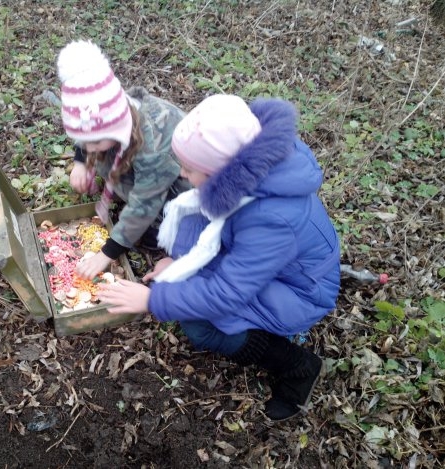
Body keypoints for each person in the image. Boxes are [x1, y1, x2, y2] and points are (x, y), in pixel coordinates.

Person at [98, 94, 341, 422]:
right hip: (271, 270)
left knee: (202, 326)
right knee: (190, 292)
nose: (181, 173)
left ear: (221, 171)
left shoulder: (272, 218)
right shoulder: (244, 177)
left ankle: (297, 365)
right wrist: (179, 261)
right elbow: (212, 226)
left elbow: (227, 293)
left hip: (301, 291)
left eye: (189, 168)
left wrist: (153, 299)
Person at [56, 40, 191, 280]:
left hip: (183, 185)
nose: (88, 148)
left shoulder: (154, 148)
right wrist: (80, 161)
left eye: (94, 143)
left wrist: (107, 252)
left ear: (117, 129)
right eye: (83, 142)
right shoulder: (106, 108)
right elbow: (88, 131)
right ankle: (120, 184)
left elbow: (144, 204)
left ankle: (159, 225)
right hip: (132, 152)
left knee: (151, 236)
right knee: (100, 152)